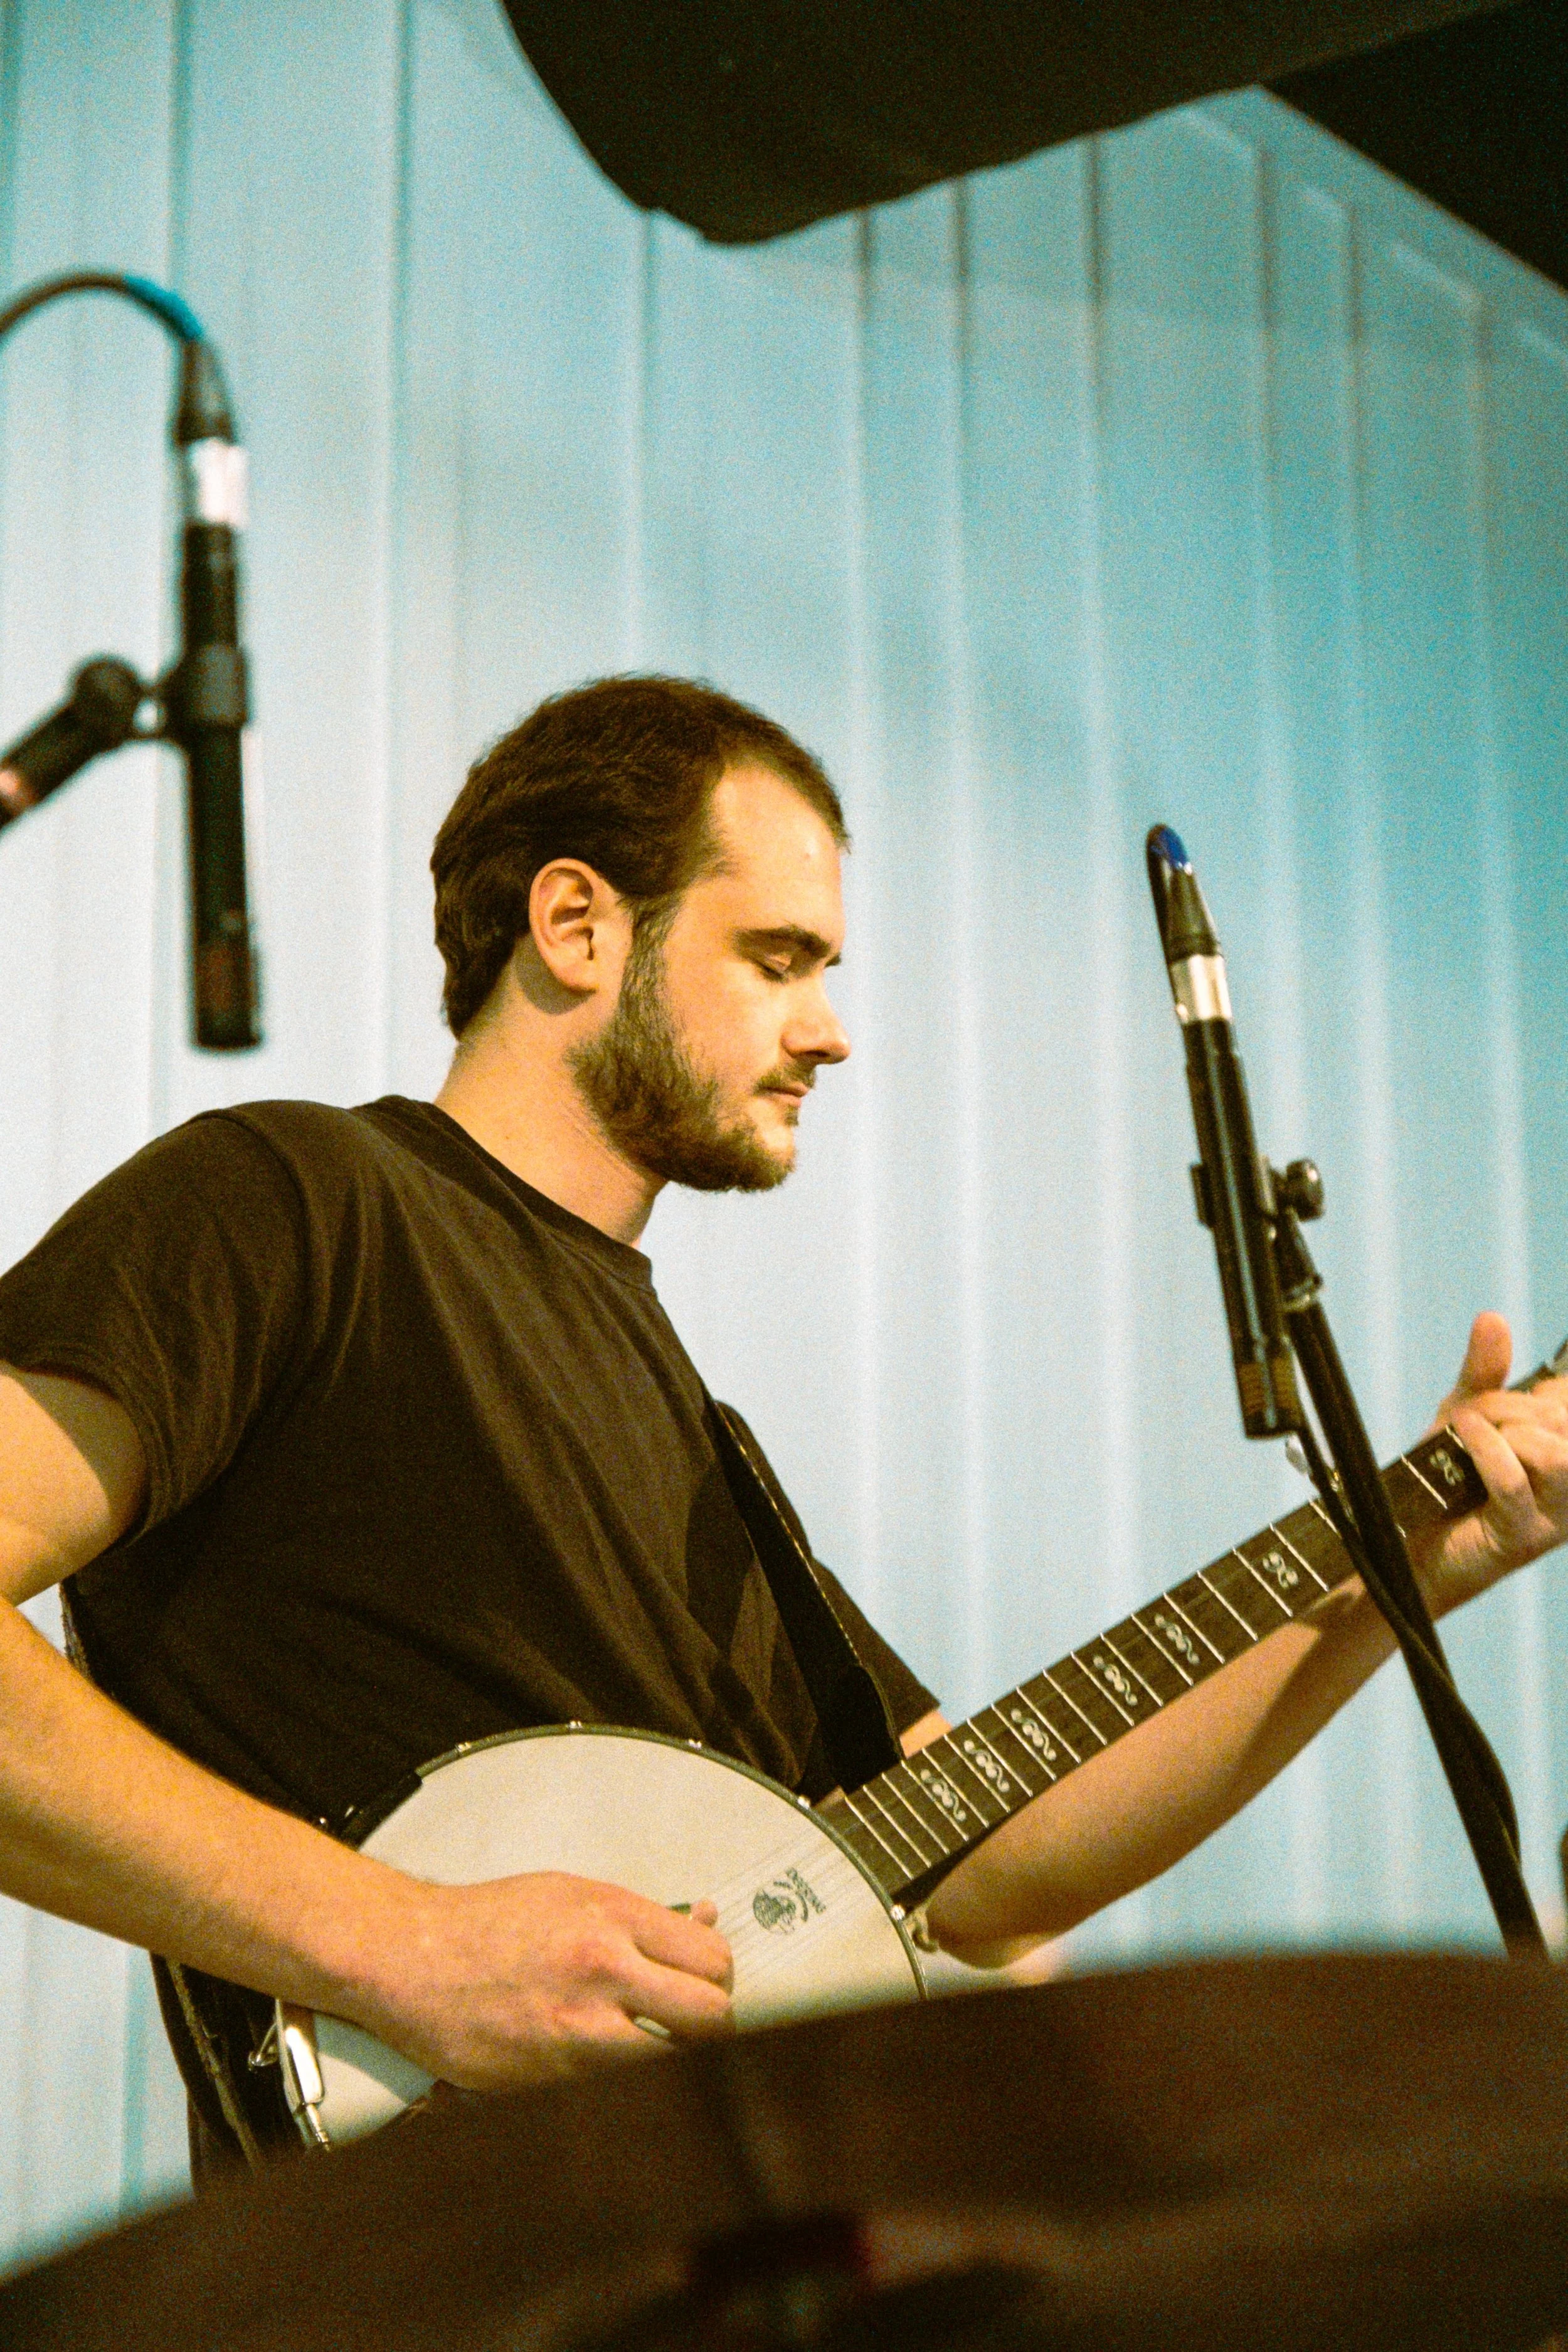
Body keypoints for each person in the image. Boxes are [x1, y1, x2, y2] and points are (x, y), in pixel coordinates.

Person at [0, 675, 1564, 2152]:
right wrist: (401, 1944)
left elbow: (979, 1870)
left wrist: (1390, 1577)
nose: (828, 1031)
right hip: (406, 2264)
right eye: (778, 957)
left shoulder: (695, 1437)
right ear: (574, 925)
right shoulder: (292, 1206)